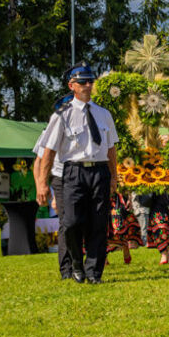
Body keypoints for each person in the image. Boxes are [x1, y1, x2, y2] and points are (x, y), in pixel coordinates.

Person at [36, 63, 119, 284]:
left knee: (98, 224)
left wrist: (114, 176)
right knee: (71, 222)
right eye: (83, 82)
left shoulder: (103, 114)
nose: (88, 85)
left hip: (99, 171)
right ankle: (75, 263)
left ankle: (93, 273)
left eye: (91, 81)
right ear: (72, 85)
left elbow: (111, 148)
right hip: (73, 172)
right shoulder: (62, 116)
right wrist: (43, 183)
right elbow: (49, 151)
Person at [33, 102, 75, 278]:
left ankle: (81, 264)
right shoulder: (48, 132)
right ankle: (67, 268)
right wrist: (41, 187)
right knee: (66, 223)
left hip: (80, 178)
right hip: (61, 179)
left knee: (78, 222)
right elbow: (39, 162)